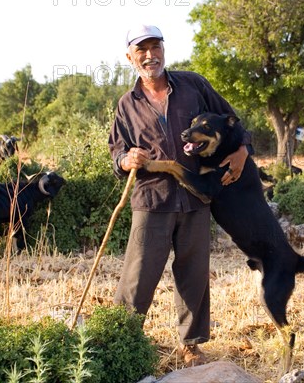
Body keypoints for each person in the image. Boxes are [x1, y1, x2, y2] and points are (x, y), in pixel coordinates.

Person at [108, 24, 252, 367]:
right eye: (140, 50)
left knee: (194, 272)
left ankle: (191, 345)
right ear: (129, 56)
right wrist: (127, 159)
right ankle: (120, 339)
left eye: (154, 47)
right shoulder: (127, 104)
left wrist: (243, 150)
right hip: (151, 199)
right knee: (138, 275)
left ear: (163, 48)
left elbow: (232, 120)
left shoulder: (193, 85)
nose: (149, 55)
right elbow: (116, 153)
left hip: (196, 196)